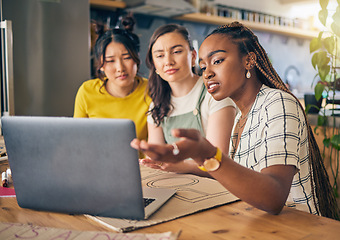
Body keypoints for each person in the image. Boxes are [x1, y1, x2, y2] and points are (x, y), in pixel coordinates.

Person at [131, 22, 339, 219]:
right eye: (203, 67)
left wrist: (207, 155)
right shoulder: (240, 117)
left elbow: (274, 197)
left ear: (248, 60)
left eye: (218, 61)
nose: (208, 73)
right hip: (254, 221)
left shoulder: (278, 103)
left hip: (298, 227)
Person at [139, 23, 236, 175]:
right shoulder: (156, 104)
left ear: (193, 56)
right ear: (154, 65)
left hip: (217, 188)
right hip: (179, 186)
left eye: (176, 51)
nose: (168, 61)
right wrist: (151, 162)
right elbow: (155, 156)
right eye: (159, 55)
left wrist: (178, 166)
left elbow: (218, 162)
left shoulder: (214, 94)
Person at [74, 15, 151, 145]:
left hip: (140, 165)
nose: (120, 68)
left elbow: (156, 142)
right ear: (101, 66)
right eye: (110, 61)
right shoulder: (87, 91)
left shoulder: (152, 89)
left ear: (137, 58)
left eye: (126, 58)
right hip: (96, 163)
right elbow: (76, 139)